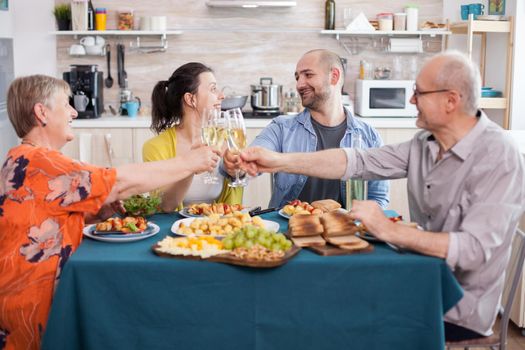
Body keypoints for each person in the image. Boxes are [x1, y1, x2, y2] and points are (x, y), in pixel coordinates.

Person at [238, 51, 525, 341]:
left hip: (455, 306)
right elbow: (357, 161)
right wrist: (278, 161)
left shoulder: (499, 156)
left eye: (419, 93)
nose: (412, 101)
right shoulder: (424, 143)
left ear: (451, 100)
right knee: (321, 304)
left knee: (337, 313)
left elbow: (473, 249)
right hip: (419, 278)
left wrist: (388, 229)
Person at [0, 75, 220, 349]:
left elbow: (38, 217)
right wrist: (188, 163)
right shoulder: (40, 161)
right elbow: (117, 182)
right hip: (32, 309)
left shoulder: (22, 157)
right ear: (41, 112)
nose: (74, 111)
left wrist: (94, 215)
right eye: (66, 104)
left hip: (18, 298)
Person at [222, 49, 389, 209]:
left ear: (334, 76)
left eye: (308, 75)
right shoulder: (281, 128)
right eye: (297, 77)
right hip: (288, 230)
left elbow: (378, 197)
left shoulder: (369, 136)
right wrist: (236, 165)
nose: (299, 84)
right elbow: (253, 156)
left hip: (345, 232)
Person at [143, 62, 242, 212]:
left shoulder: (227, 139)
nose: (221, 96)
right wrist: (190, 166)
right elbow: (163, 207)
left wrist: (238, 173)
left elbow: (235, 201)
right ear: (190, 99)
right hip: (176, 232)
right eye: (213, 89)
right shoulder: (155, 148)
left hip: (220, 229)